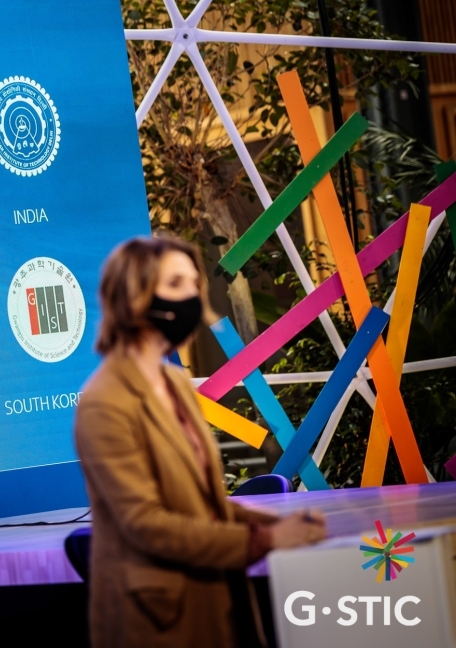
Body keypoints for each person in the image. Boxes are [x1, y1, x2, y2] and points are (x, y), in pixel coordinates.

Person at [74, 236, 326, 648]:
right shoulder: (105, 402)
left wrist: (277, 525)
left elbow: (201, 504)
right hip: (157, 620)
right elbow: (146, 525)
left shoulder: (175, 383)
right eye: (176, 284)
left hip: (217, 598)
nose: (191, 297)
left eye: (194, 284)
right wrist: (265, 540)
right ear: (133, 296)